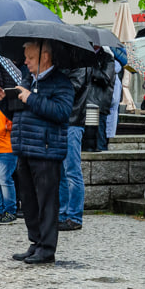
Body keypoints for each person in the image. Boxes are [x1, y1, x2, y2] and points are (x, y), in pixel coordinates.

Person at [0, 41, 74, 265]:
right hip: (24, 148)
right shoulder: (27, 80)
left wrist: (30, 98)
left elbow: (62, 112)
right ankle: (35, 242)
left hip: (47, 151)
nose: (25, 62)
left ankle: (47, 248)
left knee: (47, 202)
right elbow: (17, 113)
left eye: (29, 57)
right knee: (28, 201)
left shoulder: (61, 82)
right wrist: (2, 101)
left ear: (44, 57)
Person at [59, 67, 90, 232]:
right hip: (64, 122)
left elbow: (71, 90)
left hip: (73, 121)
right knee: (62, 173)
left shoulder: (82, 66)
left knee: (72, 171)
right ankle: (63, 214)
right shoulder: (65, 65)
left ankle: (74, 216)